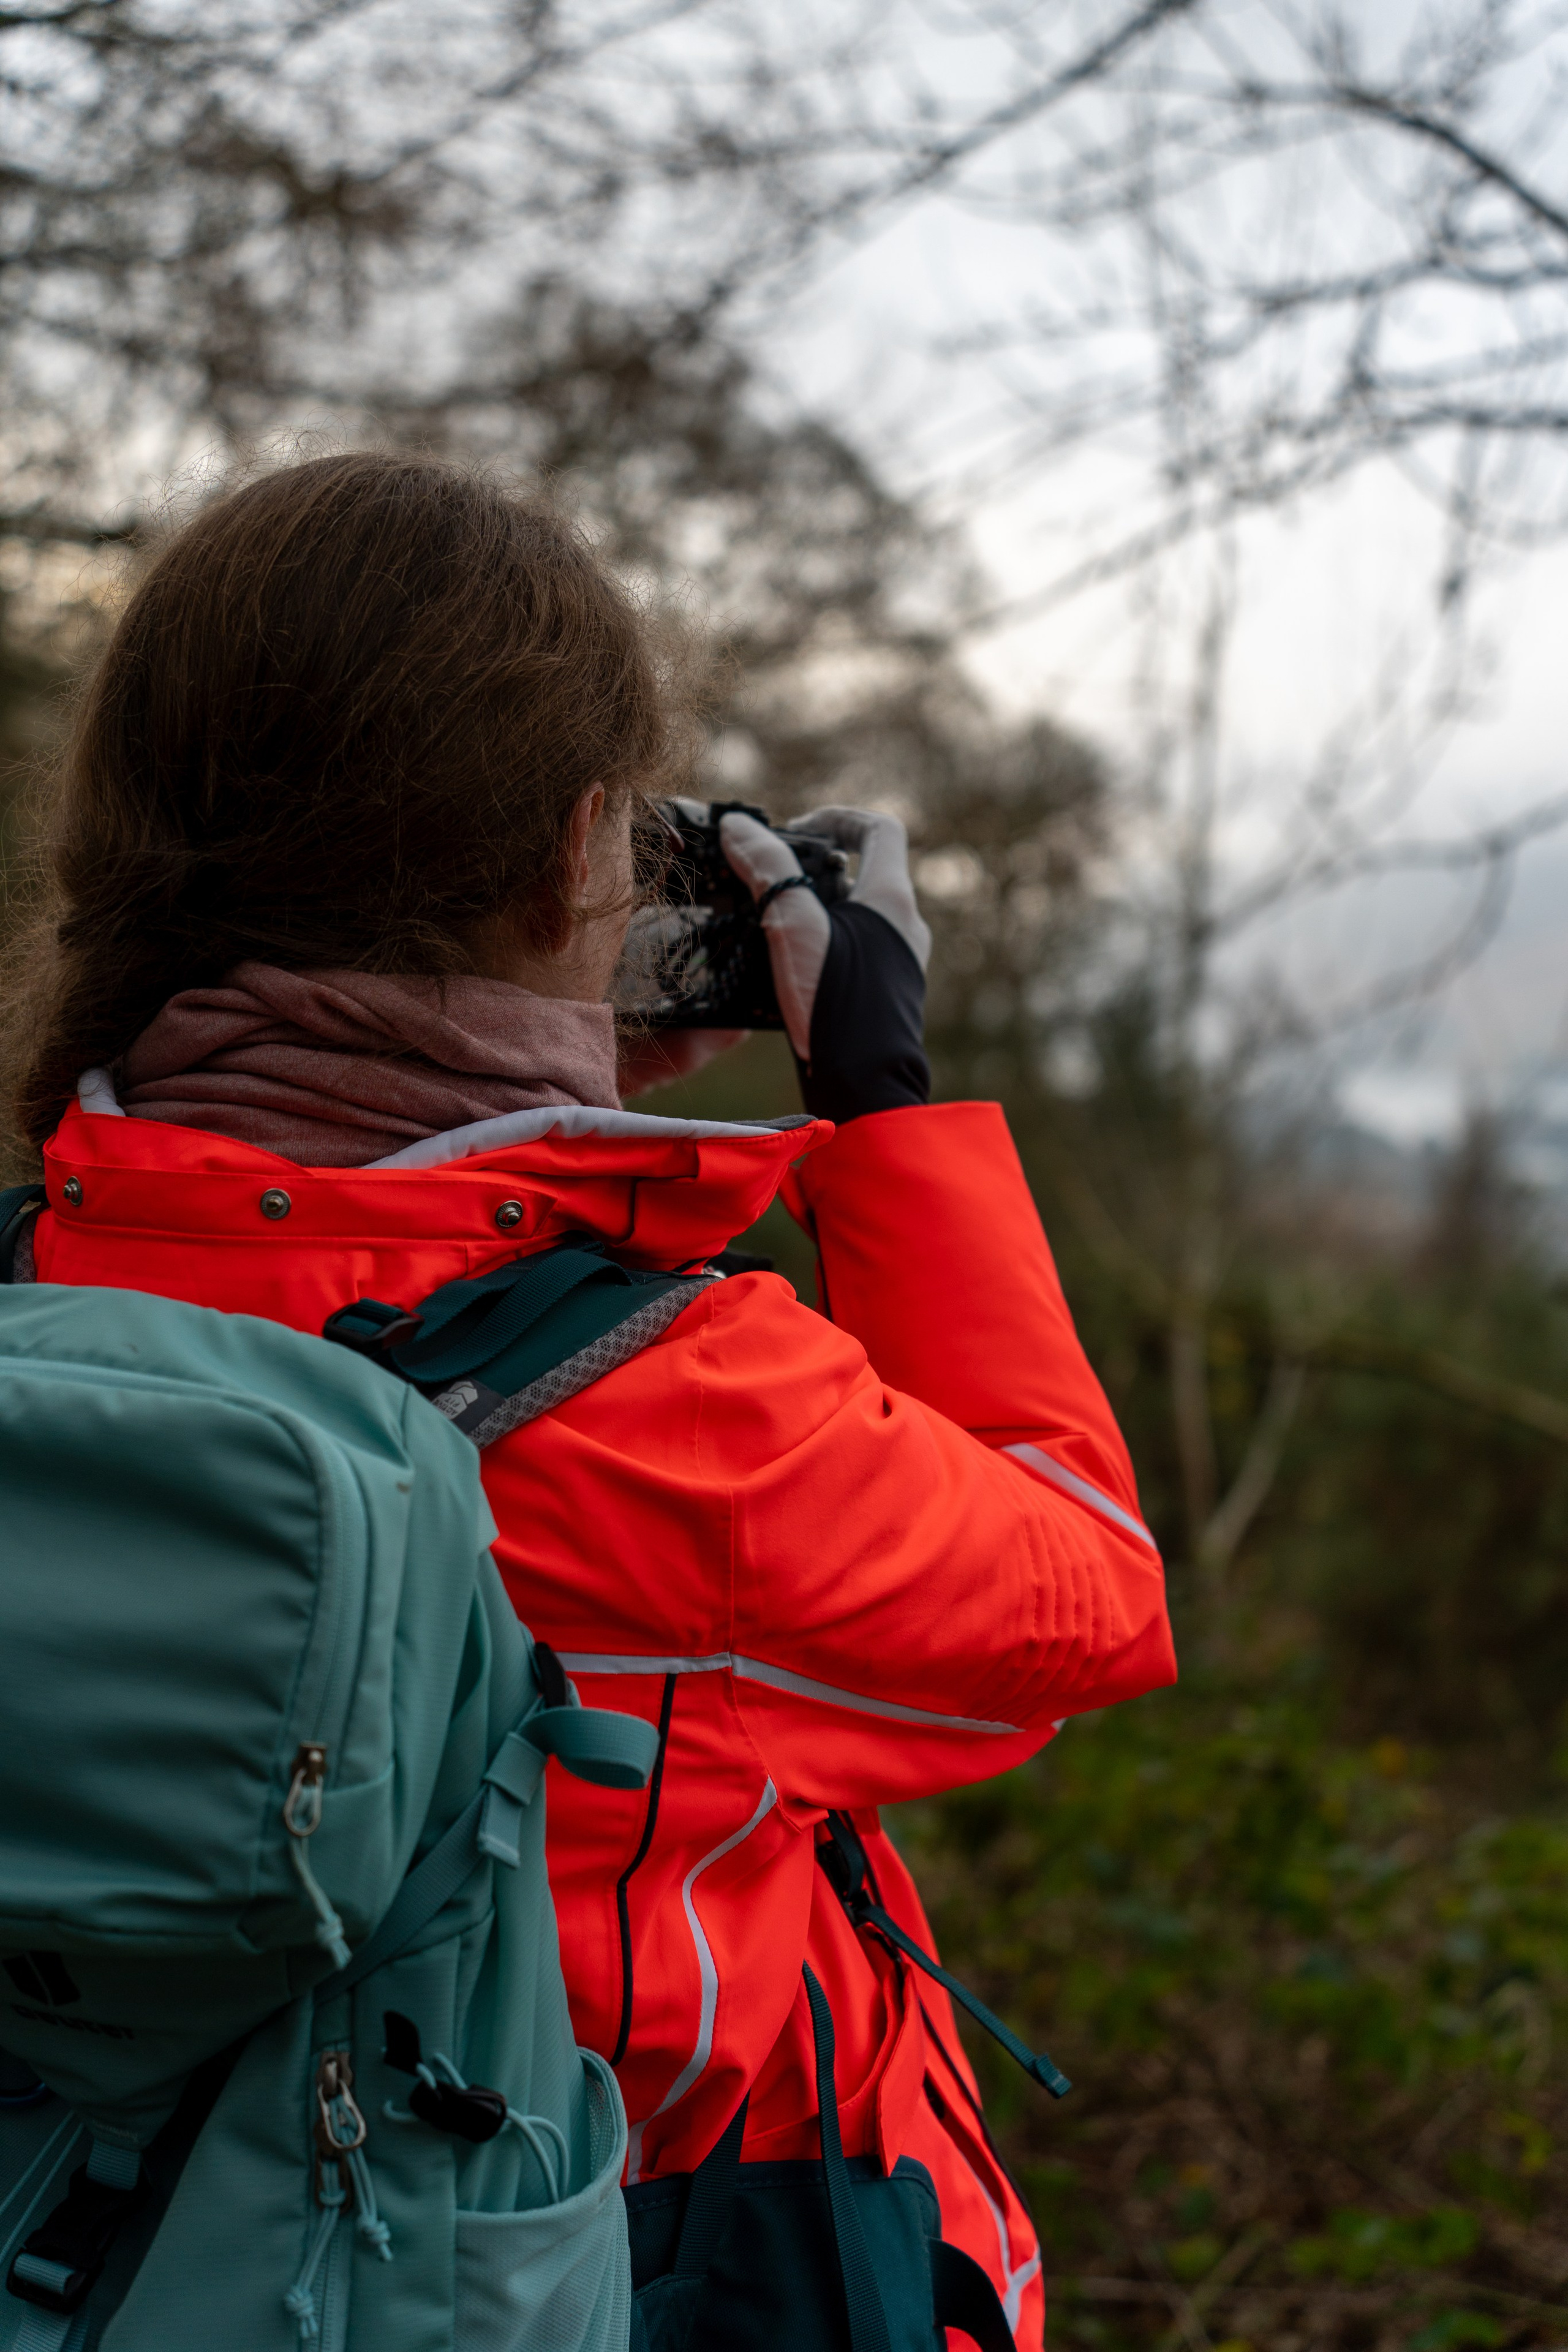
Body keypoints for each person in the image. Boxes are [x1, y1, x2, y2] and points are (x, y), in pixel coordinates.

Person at [4, 451, 1175, 2350]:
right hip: (647, 2264)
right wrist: (889, 1120)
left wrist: (552, 1069)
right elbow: (1090, 1589)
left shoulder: (39, 1279)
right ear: (574, 856)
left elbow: (313, 1210)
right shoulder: (682, 1409)